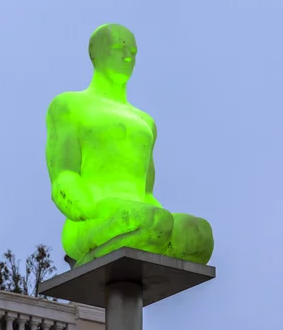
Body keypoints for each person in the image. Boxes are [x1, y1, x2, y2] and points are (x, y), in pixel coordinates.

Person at [45, 23, 214, 267]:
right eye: (118, 48)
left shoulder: (145, 122)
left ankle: (153, 235)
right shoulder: (69, 105)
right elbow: (64, 176)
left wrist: (171, 226)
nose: (127, 57)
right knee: (153, 222)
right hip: (91, 218)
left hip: (143, 216)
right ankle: (88, 259)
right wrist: (89, 210)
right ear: (95, 53)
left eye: (133, 53)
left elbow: (146, 193)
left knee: (199, 234)